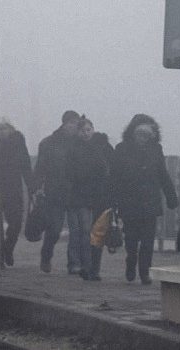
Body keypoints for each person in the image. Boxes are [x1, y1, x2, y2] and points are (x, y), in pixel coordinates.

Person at [109, 114, 178, 284]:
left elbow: (162, 174)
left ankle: (145, 271)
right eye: (140, 134)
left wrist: (171, 196)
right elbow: (114, 177)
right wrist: (113, 200)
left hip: (150, 201)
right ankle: (131, 260)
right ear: (133, 133)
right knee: (131, 239)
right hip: (129, 201)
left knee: (148, 240)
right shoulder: (121, 149)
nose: (143, 138)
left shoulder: (156, 149)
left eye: (146, 135)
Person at [32, 110, 82, 274]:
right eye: (71, 123)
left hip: (76, 191)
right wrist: (36, 187)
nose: (73, 126)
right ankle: (46, 255)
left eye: (76, 123)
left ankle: (74, 263)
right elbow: (40, 168)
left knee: (77, 230)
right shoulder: (49, 143)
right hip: (55, 191)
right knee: (54, 229)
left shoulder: (81, 143)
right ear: (64, 123)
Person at [68, 117, 111, 281]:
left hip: (100, 196)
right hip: (81, 196)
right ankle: (86, 266)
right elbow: (70, 173)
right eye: (82, 131)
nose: (86, 133)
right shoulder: (73, 149)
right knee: (85, 231)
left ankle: (94, 269)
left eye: (88, 130)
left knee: (97, 232)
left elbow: (111, 168)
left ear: (93, 129)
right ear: (78, 132)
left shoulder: (103, 145)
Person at [0, 120, 32, 267]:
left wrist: (32, 186)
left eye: (5, 129)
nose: (2, 131)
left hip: (13, 188)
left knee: (16, 223)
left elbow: (25, 164)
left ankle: (7, 248)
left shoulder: (17, 143)